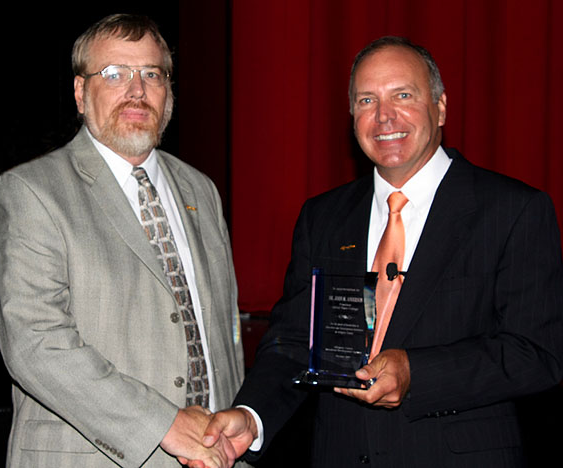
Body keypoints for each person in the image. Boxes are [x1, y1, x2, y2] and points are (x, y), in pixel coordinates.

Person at [200, 36, 563, 467]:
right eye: (367, 100)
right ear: (352, 115)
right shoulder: (323, 217)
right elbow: (295, 341)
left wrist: (416, 373)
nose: (384, 116)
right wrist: (252, 416)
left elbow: (536, 354)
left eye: (403, 96)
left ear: (441, 107)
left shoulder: (512, 209)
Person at [0, 14, 247, 468]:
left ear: (168, 94)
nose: (136, 90)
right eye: (114, 74)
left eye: (152, 74)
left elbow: (222, 334)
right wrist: (163, 423)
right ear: (80, 92)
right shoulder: (31, 192)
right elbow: (36, 344)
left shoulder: (201, 191)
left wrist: (239, 417)